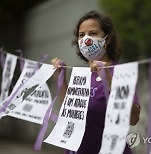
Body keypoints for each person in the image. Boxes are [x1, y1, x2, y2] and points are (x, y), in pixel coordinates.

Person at [51, 10, 140, 154]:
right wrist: (60, 79)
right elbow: (71, 112)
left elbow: (133, 118)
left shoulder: (121, 72)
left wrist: (108, 80)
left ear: (108, 38)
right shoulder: (82, 74)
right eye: (81, 35)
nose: (86, 39)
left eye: (93, 33)